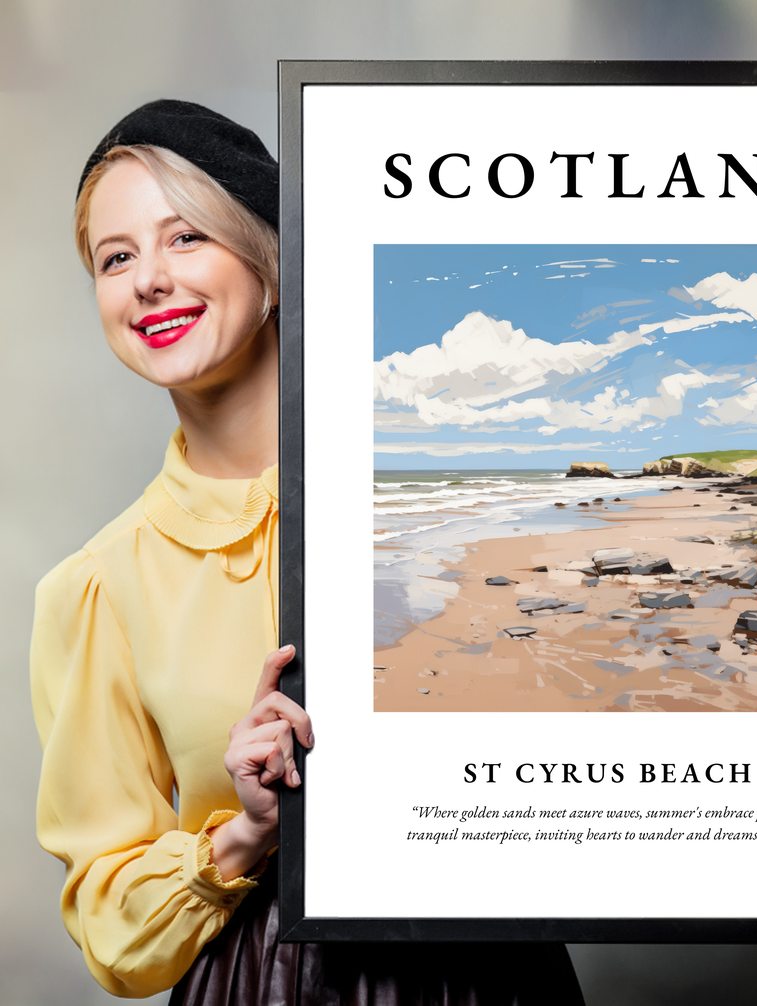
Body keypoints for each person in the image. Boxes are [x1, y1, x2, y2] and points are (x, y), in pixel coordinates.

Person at [30, 100, 586, 1004]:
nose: (148, 281)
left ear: (273, 263)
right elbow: (110, 924)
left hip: (492, 973)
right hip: (262, 981)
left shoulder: (446, 506)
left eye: (186, 239)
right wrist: (244, 832)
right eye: (116, 257)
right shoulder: (97, 587)